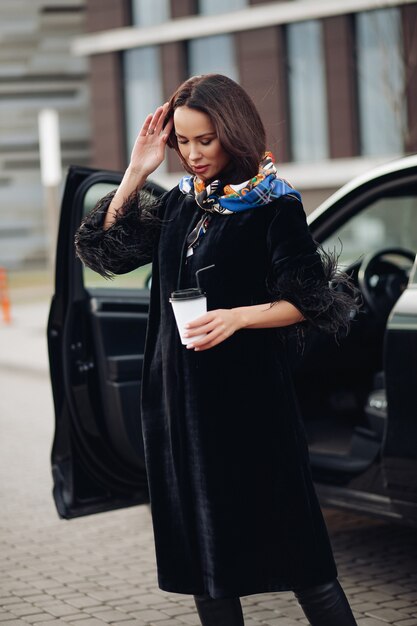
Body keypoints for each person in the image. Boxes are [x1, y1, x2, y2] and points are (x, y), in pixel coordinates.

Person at [75, 74, 358, 626]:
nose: (193, 154)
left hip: (251, 411)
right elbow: (104, 250)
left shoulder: (273, 204)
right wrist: (138, 169)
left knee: (303, 561)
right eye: (183, 141)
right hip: (181, 412)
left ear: (233, 131)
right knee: (206, 566)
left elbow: (318, 302)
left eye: (205, 140)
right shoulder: (182, 203)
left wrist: (238, 316)